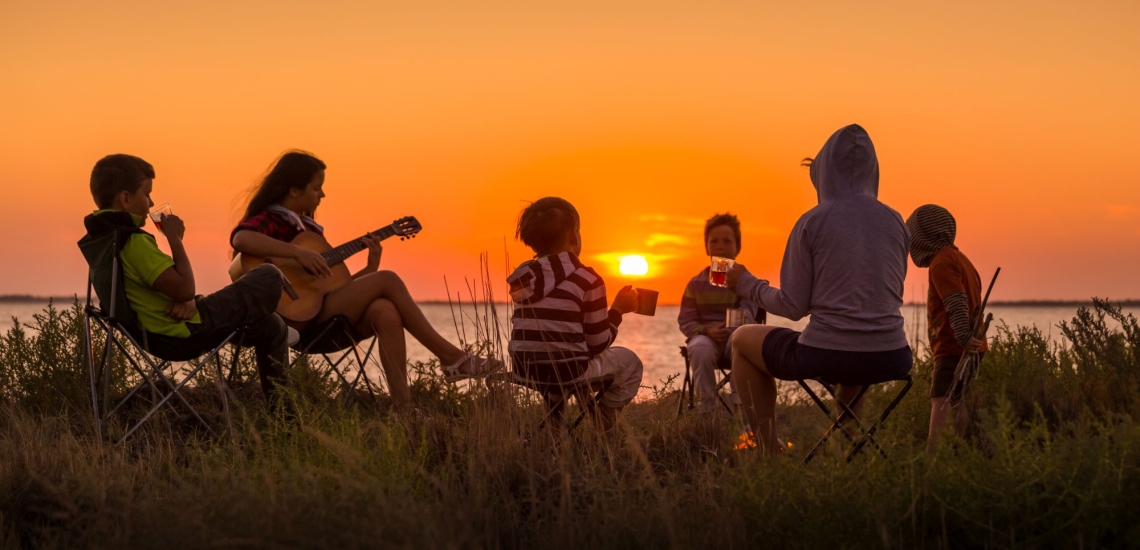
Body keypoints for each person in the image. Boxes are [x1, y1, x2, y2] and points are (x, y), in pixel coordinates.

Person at [229, 150, 497, 412]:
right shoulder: (271, 220)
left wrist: (370, 268)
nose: (322, 194)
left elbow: (327, 291)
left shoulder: (308, 231)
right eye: (316, 187)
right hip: (286, 323)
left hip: (318, 321)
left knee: (385, 311)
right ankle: (451, 358)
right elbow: (241, 239)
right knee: (389, 279)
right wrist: (298, 253)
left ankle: (403, 409)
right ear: (294, 190)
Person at [725, 124, 913, 455]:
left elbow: (793, 306)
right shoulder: (896, 221)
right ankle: (846, 446)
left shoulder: (813, 221)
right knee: (855, 343)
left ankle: (769, 451)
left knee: (741, 339)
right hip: (891, 356)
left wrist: (747, 284)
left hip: (827, 355)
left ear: (824, 174)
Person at [79, 154, 294, 405]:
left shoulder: (102, 239)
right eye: (147, 194)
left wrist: (188, 299)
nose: (151, 203)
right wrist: (175, 240)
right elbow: (184, 288)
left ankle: (285, 419)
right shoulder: (133, 242)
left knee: (272, 326)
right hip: (184, 333)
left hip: (160, 331)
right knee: (269, 274)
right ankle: (288, 414)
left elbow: (171, 290)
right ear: (125, 199)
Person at [507, 197, 644, 431]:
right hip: (567, 370)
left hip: (524, 367)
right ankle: (604, 425)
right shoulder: (587, 279)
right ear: (574, 235)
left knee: (559, 358)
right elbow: (598, 343)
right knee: (630, 362)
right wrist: (618, 311)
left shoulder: (521, 277)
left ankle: (555, 432)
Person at [905, 204, 988, 450]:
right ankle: (956, 450)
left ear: (922, 237)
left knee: (940, 402)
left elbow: (956, 301)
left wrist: (963, 337)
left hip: (954, 347)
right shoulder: (961, 258)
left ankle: (935, 459)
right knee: (956, 400)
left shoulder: (941, 262)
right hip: (970, 346)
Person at [678, 213, 763, 414]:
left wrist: (728, 328)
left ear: (738, 247)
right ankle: (706, 410)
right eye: (714, 241)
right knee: (699, 348)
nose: (720, 246)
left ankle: (741, 411)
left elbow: (748, 313)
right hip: (707, 338)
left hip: (736, 337)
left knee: (740, 340)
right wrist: (707, 330)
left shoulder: (746, 282)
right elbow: (686, 320)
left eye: (727, 241)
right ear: (706, 246)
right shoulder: (696, 283)